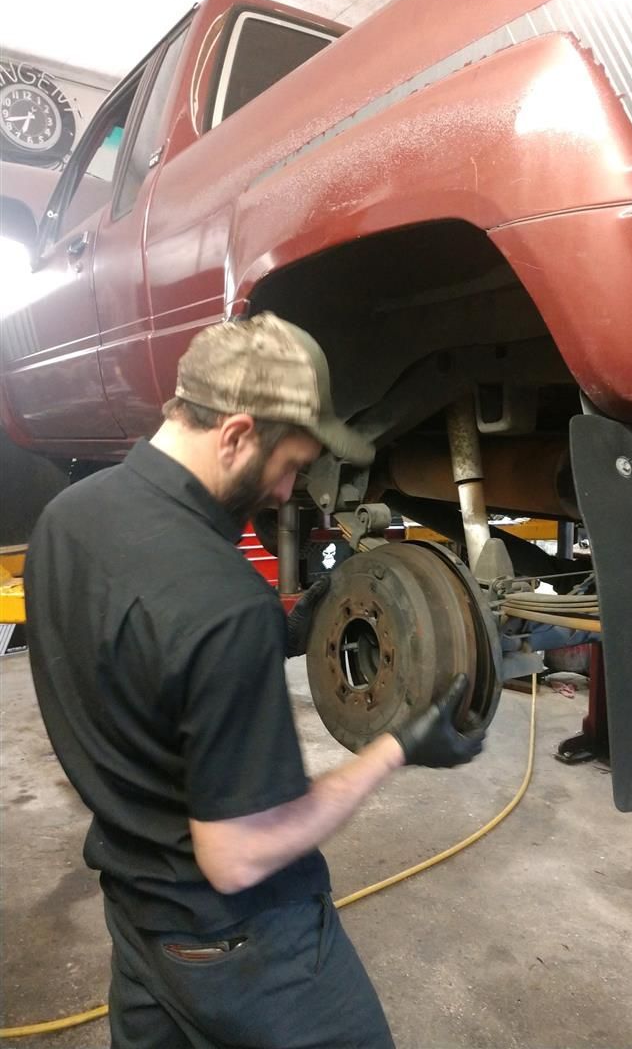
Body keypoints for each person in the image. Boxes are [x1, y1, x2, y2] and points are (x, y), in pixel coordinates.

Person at [24, 312, 485, 1049]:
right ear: (236, 433)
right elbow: (237, 856)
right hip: (239, 946)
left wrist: (292, 622)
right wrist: (398, 748)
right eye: (289, 465)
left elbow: (145, 657)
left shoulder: (69, 519)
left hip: (139, 918)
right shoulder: (219, 600)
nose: (285, 491)